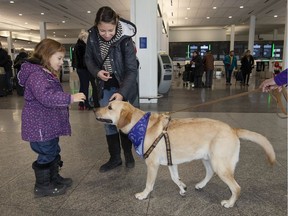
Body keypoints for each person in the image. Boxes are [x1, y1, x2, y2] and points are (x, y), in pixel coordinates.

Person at [17, 38, 86, 197]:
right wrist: (70, 98)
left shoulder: (46, 73)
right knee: (47, 153)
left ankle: (53, 178)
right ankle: (42, 185)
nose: (62, 62)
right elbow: (47, 97)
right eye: (59, 58)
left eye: (63, 58)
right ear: (47, 56)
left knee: (54, 150)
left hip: (48, 125)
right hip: (40, 125)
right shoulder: (37, 75)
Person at [85, 6, 138, 172]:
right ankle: (115, 158)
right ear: (96, 26)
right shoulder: (92, 37)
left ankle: (128, 154)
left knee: (124, 121)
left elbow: (131, 70)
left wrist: (122, 93)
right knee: (108, 120)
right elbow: (88, 60)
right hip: (105, 84)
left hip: (124, 84)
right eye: (102, 30)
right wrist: (97, 72)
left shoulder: (125, 39)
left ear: (116, 24)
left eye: (110, 30)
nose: (107, 34)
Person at [74, 29, 99, 110]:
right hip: (85, 69)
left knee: (84, 86)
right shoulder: (82, 46)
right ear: (84, 37)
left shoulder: (78, 45)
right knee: (87, 86)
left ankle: (82, 103)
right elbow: (85, 59)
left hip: (81, 69)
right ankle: (86, 103)